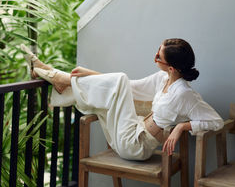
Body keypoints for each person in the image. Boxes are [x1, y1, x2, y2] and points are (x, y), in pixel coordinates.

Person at [20, 38, 224, 160]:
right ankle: (61, 79)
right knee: (121, 82)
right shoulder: (162, 78)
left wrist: (181, 127)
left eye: (158, 57)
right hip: (129, 131)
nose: (154, 58)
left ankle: (60, 78)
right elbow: (126, 87)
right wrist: (89, 73)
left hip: (136, 146)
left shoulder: (184, 94)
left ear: (171, 67)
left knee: (120, 80)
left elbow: (216, 121)